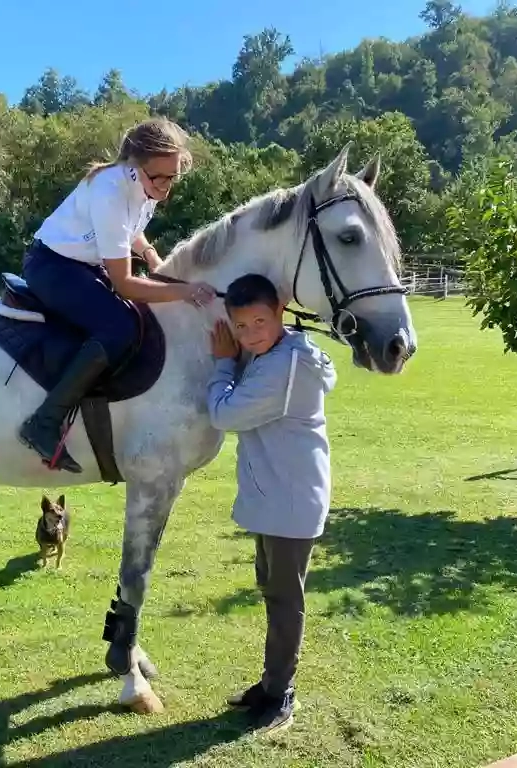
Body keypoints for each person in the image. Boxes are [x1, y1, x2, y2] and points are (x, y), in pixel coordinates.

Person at [19, 117, 217, 473]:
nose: (167, 187)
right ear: (136, 165)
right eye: (161, 177)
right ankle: (44, 422)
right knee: (120, 328)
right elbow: (125, 283)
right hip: (53, 266)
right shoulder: (110, 191)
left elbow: (132, 230)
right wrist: (184, 291)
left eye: (173, 177)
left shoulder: (145, 184)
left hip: (81, 265)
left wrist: (152, 255)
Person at [206, 273, 337, 734]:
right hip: (277, 495)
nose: (251, 334)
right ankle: (270, 683)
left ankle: (282, 693)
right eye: (240, 328)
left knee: (285, 600)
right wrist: (239, 356)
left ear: (280, 311)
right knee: (273, 588)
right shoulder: (275, 353)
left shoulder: (285, 365)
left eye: (260, 321)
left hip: (291, 498)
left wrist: (224, 363)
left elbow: (224, 413)